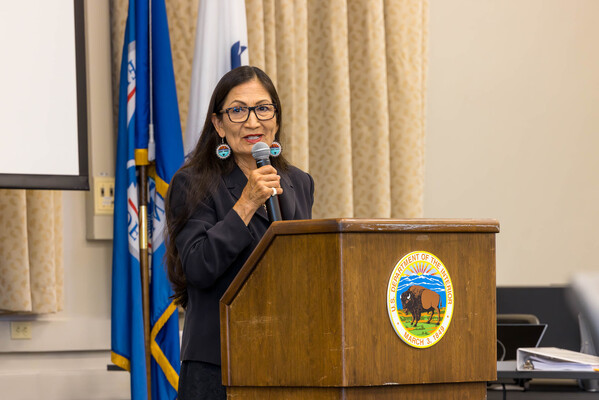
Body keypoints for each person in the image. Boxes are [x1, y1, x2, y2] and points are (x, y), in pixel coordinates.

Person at [165, 66, 314, 399]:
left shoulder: (299, 183)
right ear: (218, 124)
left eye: (263, 108)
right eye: (237, 110)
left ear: (276, 118)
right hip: (218, 364)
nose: (252, 122)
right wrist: (246, 204)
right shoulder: (193, 184)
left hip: (287, 358)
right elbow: (197, 267)